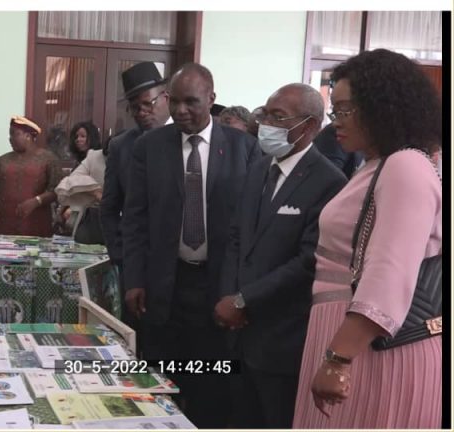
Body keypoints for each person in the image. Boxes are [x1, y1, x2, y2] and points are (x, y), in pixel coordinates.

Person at [293, 49, 442, 428]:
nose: (336, 122)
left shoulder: (405, 166)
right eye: (335, 110)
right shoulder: (376, 164)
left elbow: (389, 271)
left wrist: (339, 358)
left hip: (373, 346)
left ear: (382, 107)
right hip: (350, 335)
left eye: (345, 110)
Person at [121, 62, 260, 427]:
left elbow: (252, 226)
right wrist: (133, 278)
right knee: (161, 380)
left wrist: (241, 291)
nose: (181, 110)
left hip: (219, 286)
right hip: (164, 285)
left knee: (211, 385)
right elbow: (134, 219)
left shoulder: (244, 148)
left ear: (211, 99)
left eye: (191, 102)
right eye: (175, 101)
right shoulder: (150, 147)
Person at [215, 83, 347, 428]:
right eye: (265, 114)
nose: (266, 125)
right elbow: (236, 238)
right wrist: (228, 297)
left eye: (278, 117)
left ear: (309, 126)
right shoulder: (259, 168)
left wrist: (244, 300)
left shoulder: (329, 181)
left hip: (281, 337)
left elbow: (307, 261)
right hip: (237, 332)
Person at [100, 61, 171, 280]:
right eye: (135, 108)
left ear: (166, 97)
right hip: (135, 261)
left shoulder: (187, 139)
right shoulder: (120, 146)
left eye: (148, 104)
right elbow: (109, 207)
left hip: (182, 262)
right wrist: (118, 253)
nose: (142, 113)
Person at [0, 116, 61, 237]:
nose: (10, 138)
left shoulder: (49, 159)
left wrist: (36, 201)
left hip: (36, 225)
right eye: (10, 134)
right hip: (3, 225)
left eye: (14, 134)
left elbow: (57, 190)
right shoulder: (2, 161)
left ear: (28, 136)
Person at [55, 121, 106, 244]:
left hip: (95, 215)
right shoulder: (78, 161)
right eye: (76, 137)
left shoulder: (98, 158)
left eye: (83, 136)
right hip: (77, 213)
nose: (78, 140)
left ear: (92, 138)